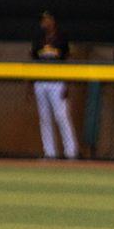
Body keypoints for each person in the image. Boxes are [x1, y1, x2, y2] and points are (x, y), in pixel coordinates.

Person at [30, 11, 78, 160]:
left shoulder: (62, 38)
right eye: (42, 20)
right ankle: (49, 152)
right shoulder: (38, 39)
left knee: (61, 116)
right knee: (44, 118)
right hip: (41, 81)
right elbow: (32, 61)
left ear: (53, 21)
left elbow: (68, 60)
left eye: (46, 20)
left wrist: (67, 83)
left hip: (57, 82)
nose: (44, 23)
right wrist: (30, 85)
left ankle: (71, 152)